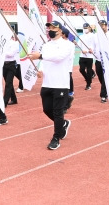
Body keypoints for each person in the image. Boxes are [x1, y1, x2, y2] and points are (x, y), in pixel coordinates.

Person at [28, 20, 72, 150]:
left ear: (60, 30)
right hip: (47, 83)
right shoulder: (46, 45)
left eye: (53, 27)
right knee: (47, 109)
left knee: (58, 112)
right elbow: (44, 62)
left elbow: (58, 57)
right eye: (49, 28)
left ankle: (56, 138)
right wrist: (40, 70)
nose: (50, 30)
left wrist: (40, 56)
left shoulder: (67, 45)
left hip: (60, 83)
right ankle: (63, 124)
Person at [2, 34, 20, 106]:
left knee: (8, 83)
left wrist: (2, 53)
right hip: (4, 64)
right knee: (8, 82)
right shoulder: (2, 43)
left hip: (11, 64)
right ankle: (14, 99)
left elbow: (11, 54)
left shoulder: (14, 43)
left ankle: (4, 102)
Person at [77, 23, 96, 90]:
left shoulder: (93, 36)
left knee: (89, 70)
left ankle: (88, 84)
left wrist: (88, 51)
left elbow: (94, 45)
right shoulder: (81, 36)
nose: (85, 29)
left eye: (86, 28)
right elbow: (78, 45)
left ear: (89, 28)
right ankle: (88, 79)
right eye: (84, 28)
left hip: (89, 56)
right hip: (82, 56)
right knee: (81, 69)